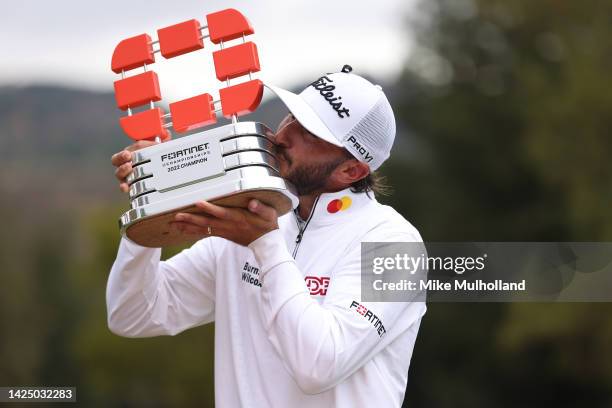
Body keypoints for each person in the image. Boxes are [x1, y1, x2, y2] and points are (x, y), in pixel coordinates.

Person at [107, 65, 426, 407]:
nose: (284, 135)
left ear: (352, 170)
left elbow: (319, 365)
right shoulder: (251, 221)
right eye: (292, 117)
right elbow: (133, 314)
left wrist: (265, 243)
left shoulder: (395, 244)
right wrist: (149, 209)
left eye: (310, 134)